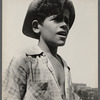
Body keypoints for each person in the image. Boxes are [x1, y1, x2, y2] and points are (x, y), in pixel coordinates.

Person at [2, 0, 79, 100]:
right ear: (36, 26)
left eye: (66, 21)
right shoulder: (24, 61)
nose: (64, 25)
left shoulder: (65, 67)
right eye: (57, 19)